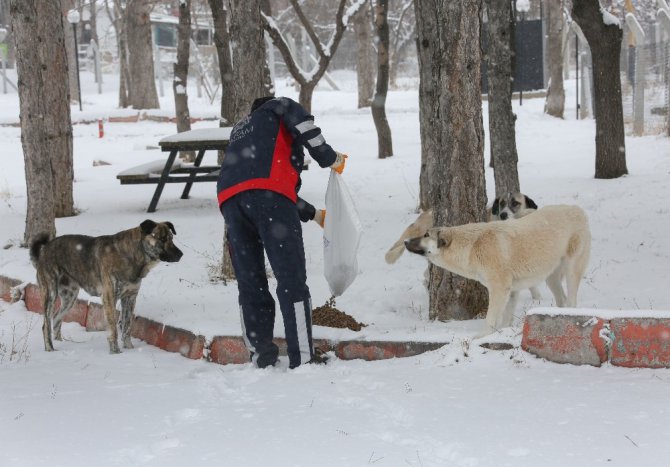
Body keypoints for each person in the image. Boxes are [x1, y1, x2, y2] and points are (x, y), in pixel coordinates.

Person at [217, 96, 346, 369]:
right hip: (269, 198)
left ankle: (260, 355)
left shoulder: (242, 129)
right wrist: (331, 158)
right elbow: (306, 130)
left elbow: (260, 182)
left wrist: (314, 215)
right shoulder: (280, 106)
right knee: (291, 280)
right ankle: (303, 359)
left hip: (230, 202)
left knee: (250, 283)